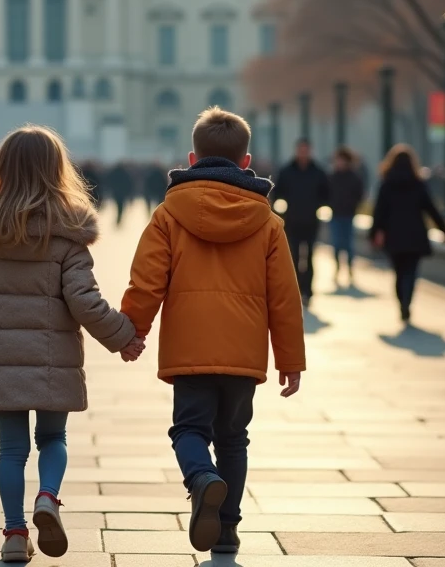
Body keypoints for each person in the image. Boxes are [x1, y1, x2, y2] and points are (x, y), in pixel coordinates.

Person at [0, 126, 140, 564]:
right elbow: (85, 302)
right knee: (53, 438)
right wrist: (123, 337)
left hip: (3, 361)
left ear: (2, 169)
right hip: (53, 360)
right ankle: (48, 498)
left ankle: (15, 535)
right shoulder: (69, 234)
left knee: (12, 449)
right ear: (58, 171)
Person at [121, 108, 306, 555]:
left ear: (191, 157)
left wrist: (131, 330)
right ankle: (227, 530)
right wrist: (291, 361)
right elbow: (285, 297)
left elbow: (146, 280)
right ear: (246, 162)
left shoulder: (169, 214)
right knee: (234, 439)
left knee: (188, 430)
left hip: (189, 349)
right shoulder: (268, 223)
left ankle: (201, 477)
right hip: (243, 354)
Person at [370, 145, 445, 323]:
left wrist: (374, 233)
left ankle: (402, 302)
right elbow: (431, 208)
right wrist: (443, 228)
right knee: (411, 272)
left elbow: (379, 212)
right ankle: (407, 301)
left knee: (398, 273)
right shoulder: (418, 184)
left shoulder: (387, 184)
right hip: (415, 236)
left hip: (394, 236)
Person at [273, 139, 330, 304]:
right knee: (295, 256)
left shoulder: (318, 172)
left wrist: (321, 207)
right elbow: (278, 193)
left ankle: (308, 291)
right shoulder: (286, 171)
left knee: (310, 255)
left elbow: (326, 194)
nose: (303, 153)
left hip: (311, 221)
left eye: (306, 150)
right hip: (292, 221)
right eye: (301, 150)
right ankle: (297, 288)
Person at [328, 146, 365, 287]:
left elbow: (360, 194)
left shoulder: (354, 177)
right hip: (336, 215)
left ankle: (350, 269)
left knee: (348, 245)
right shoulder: (332, 176)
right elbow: (326, 193)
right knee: (337, 244)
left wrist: (353, 205)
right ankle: (337, 268)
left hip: (348, 215)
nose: (339, 163)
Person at [106, 161, 135, 226]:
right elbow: (129, 183)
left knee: (118, 206)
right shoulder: (126, 173)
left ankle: (118, 218)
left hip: (116, 192)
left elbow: (109, 181)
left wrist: (110, 189)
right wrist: (129, 192)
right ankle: (119, 218)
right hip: (123, 193)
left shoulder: (114, 173)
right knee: (121, 206)